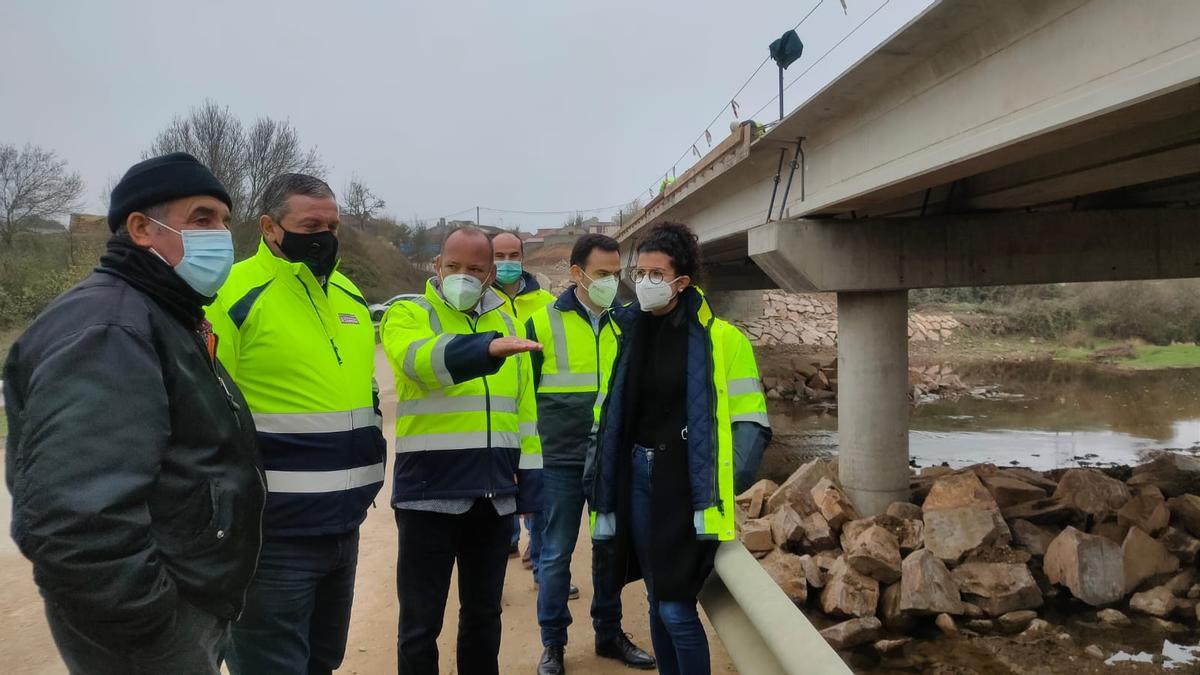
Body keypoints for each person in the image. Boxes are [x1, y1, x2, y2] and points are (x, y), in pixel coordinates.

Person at [3, 152, 265, 675]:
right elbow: (76, 520)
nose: (220, 237)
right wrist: (153, 621)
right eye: (201, 219)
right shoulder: (110, 327)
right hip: (149, 629)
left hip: (183, 605)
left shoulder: (163, 314)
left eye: (223, 221)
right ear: (142, 229)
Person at [208, 173, 386, 675]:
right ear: (269, 227)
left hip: (344, 528)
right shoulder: (230, 292)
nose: (325, 235)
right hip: (271, 539)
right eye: (311, 224)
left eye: (333, 224)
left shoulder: (349, 295)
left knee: (321, 662)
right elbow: (205, 414)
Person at [589, 222, 771, 675]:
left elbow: (751, 427)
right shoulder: (626, 333)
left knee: (674, 607)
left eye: (656, 274)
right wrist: (595, 475)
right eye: (641, 272)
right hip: (636, 477)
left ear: (681, 282)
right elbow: (607, 413)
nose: (645, 281)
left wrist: (715, 486)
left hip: (686, 487)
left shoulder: (724, 340)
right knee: (654, 598)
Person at [381, 225, 544, 675]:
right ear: (437, 266)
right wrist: (485, 349)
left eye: (474, 268)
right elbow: (419, 361)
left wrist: (529, 480)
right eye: (453, 266)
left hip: (492, 495)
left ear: (491, 274)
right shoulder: (410, 313)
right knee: (420, 624)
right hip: (428, 493)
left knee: (483, 616)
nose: (462, 276)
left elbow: (524, 412)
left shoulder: (508, 322)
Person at [528, 234, 656, 675]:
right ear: (577, 273)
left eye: (615, 275)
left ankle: (609, 633)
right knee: (556, 555)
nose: (610, 283)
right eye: (602, 275)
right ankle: (553, 644)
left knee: (608, 550)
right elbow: (522, 398)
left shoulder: (628, 323)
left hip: (609, 461)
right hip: (559, 462)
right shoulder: (542, 325)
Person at [490, 231, 557, 582]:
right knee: (498, 489)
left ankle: (542, 565)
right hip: (495, 410)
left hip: (537, 410)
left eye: (512, 255)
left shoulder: (546, 301)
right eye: (498, 256)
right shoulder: (480, 301)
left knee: (537, 486)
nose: (506, 263)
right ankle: (504, 551)